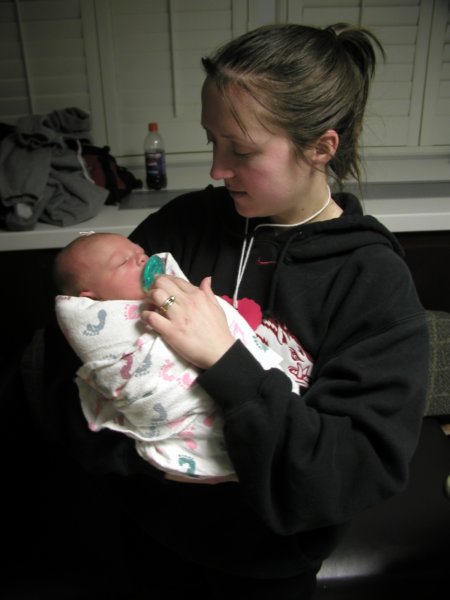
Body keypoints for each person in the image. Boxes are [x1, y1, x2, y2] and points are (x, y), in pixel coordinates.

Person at [40, 23, 428, 599]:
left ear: (321, 147)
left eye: (241, 151)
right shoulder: (180, 227)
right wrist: (141, 456)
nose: (217, 170)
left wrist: (225, 360)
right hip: (142, 529)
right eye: (212, 141)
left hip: (263, 566)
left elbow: (353, 468)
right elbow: (65, 363)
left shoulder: (370, 281)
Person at [53, 232, 284, 481]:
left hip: (263, 417)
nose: (143, 259)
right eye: (123, 262)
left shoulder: (168, 285)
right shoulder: (105, 327)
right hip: (172, 436)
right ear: (91, 298)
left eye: (141, 253)